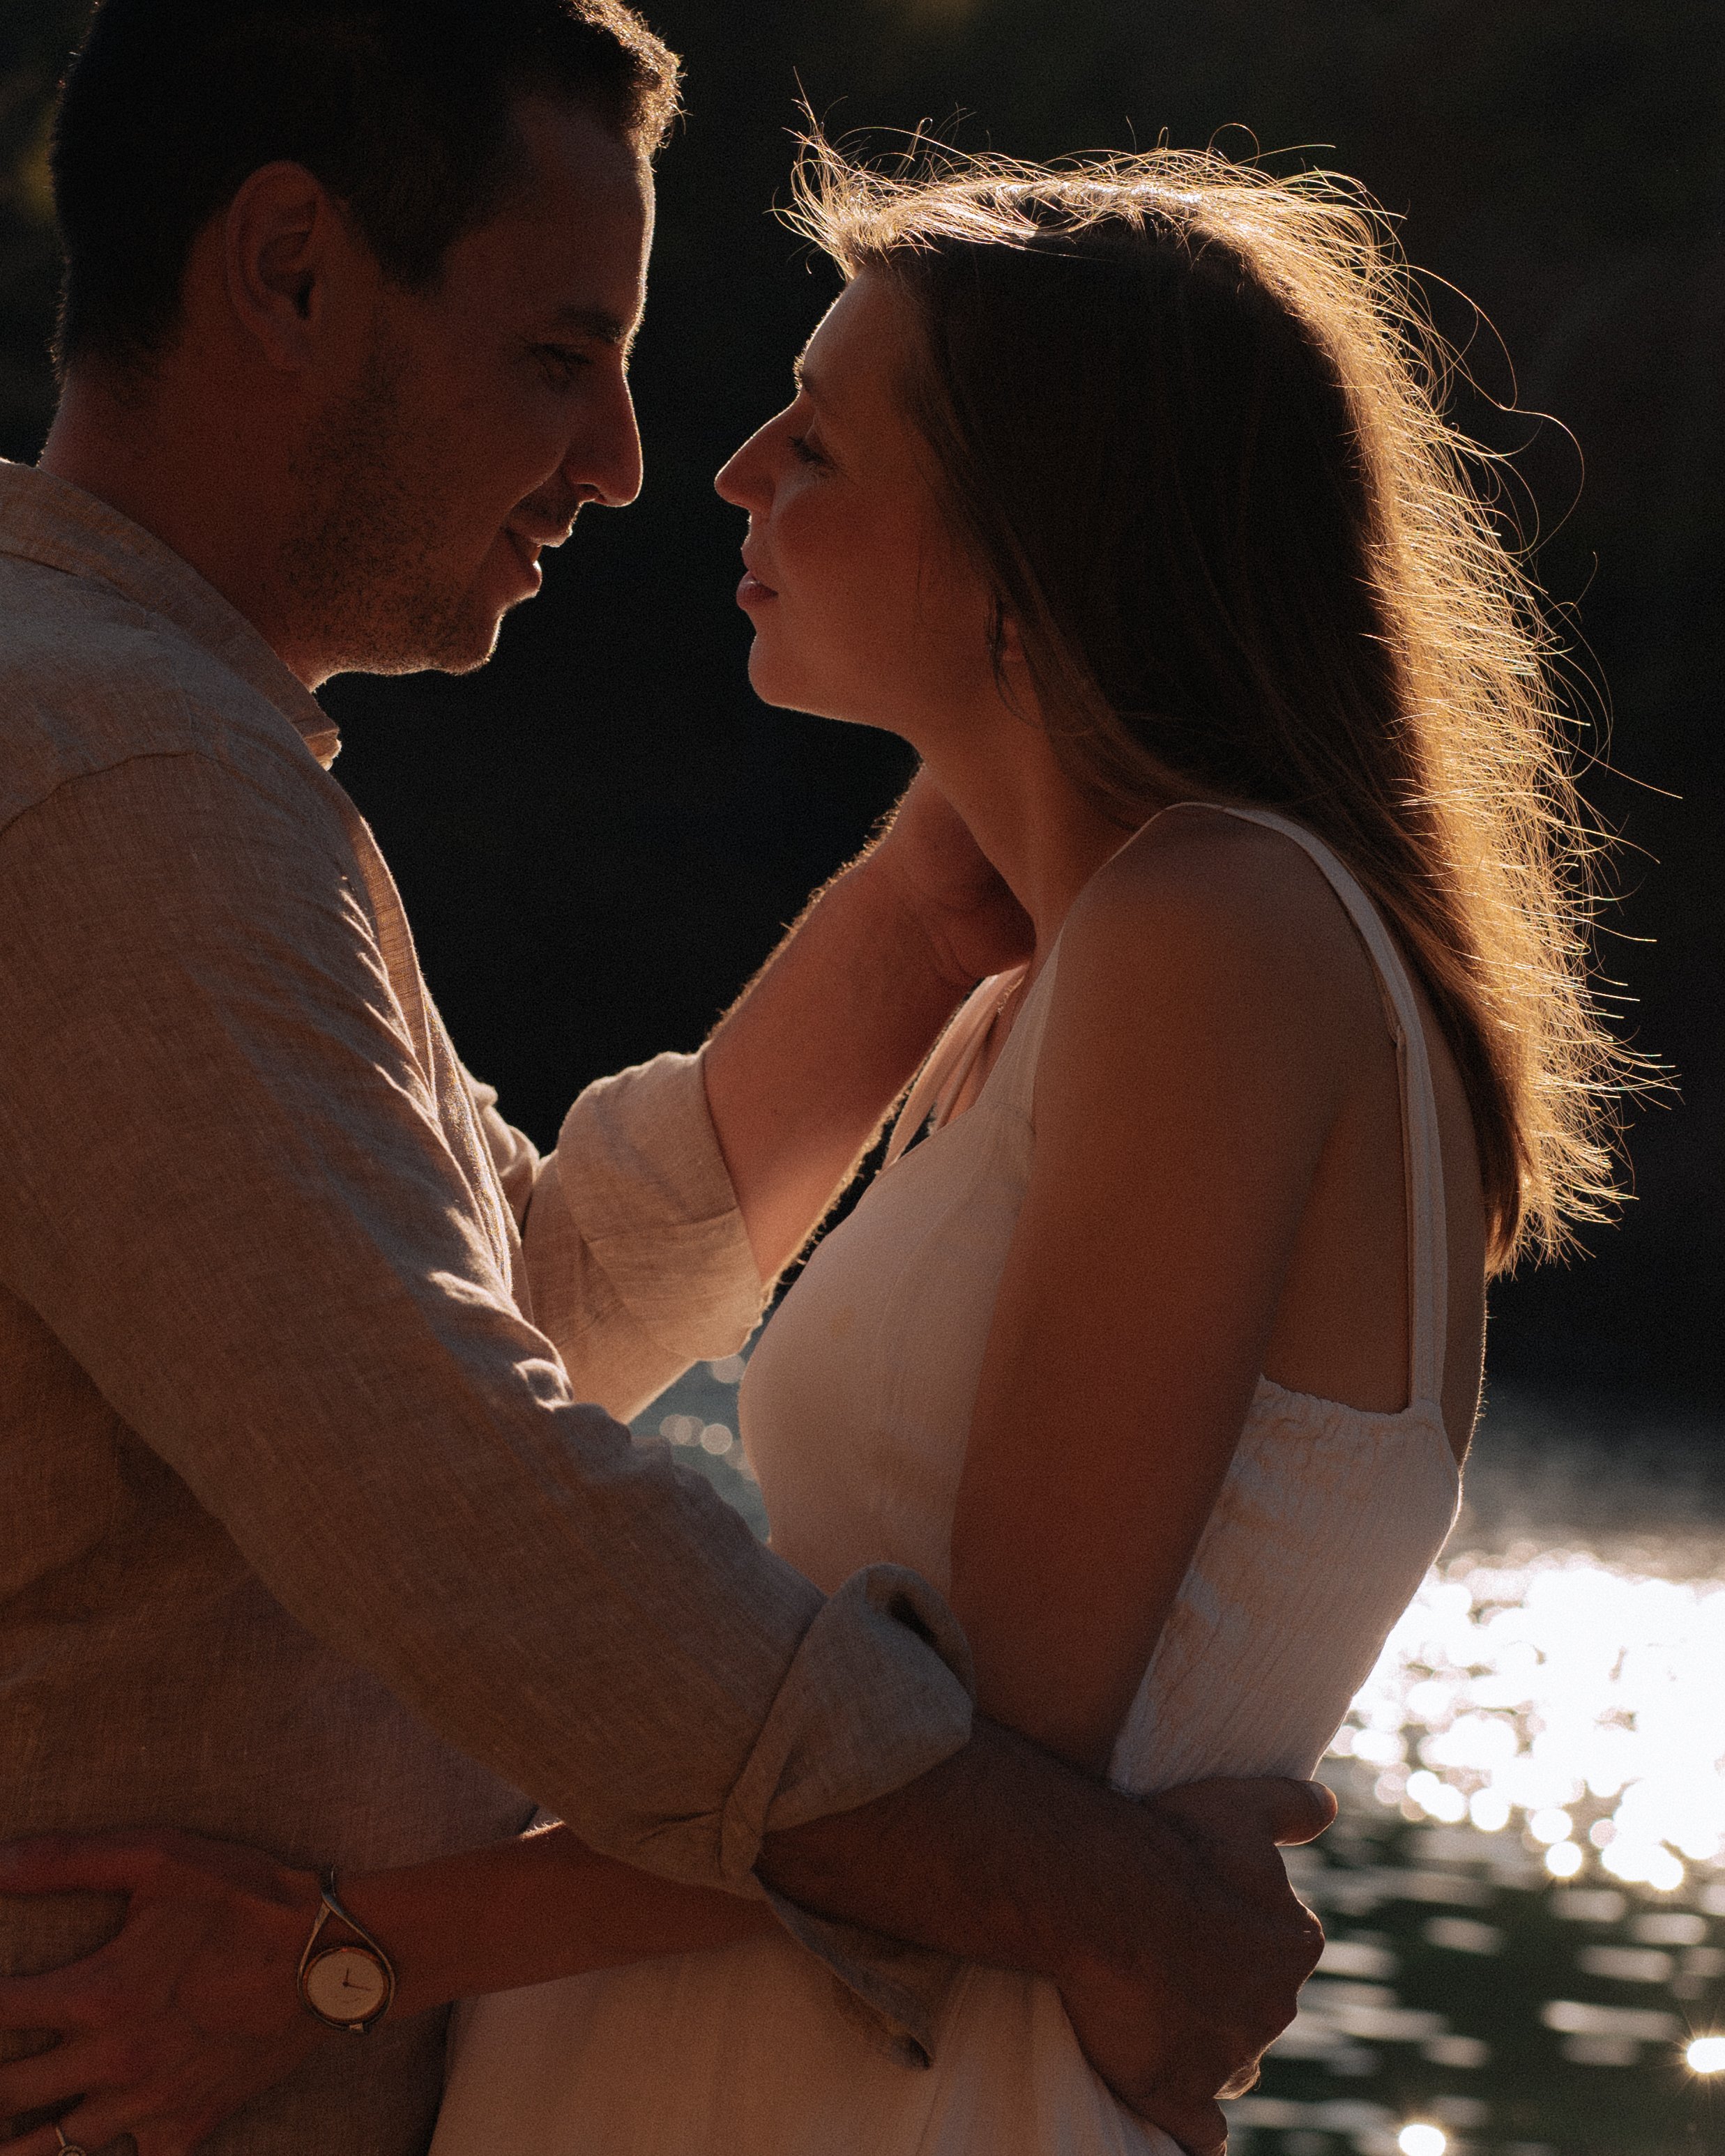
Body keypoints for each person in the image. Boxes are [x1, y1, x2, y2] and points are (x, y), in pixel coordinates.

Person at [0, 98, 1632, 2156]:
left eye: (820, 442)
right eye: (552, 353)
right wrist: (1129, 1912)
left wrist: (355, 1951)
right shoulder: (117, 769)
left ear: (1045, 539)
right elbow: (460, 1467)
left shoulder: (1187, 942)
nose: (663, 464)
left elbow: (507, 1342)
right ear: (289, 271)